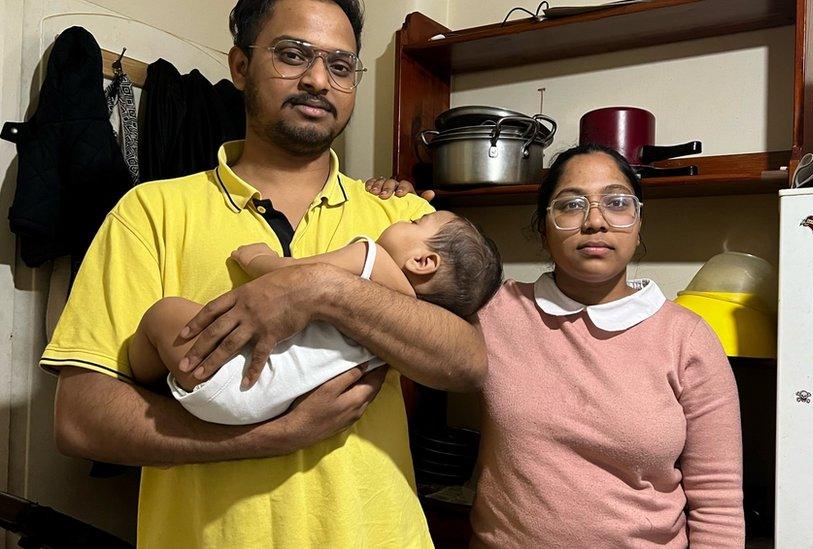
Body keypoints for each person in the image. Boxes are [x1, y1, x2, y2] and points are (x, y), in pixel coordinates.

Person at [43, 0, 490, 547]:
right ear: (239, 67)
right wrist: (267, 437)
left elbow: (466, 363)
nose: (319, 80)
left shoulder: (400, 217)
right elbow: (81, 419)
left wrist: (320, 288)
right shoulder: (149, 212)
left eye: (342, 65)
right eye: (292, 54)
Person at [471, 143, 745, 547]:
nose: (595, 221)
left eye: (617, 203)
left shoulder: (687, 338)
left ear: (638, 225)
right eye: (571, 205)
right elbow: (409, 297)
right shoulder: (497, 311)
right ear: (544, 228)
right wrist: (398, 208)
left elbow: (718, 502)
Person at [129, 211, 502, 425]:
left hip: (236, 372)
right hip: (270, 405)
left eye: (417, 221)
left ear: (423, 261)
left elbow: (286, 274)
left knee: (162, 315)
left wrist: (255, 257)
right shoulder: (412, 323)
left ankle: (140, 373)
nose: (406, 216)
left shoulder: (369, 259)